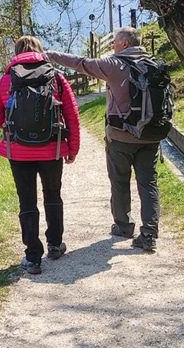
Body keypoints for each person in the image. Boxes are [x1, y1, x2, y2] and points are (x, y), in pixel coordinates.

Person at [45, 27, 160, 252]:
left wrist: (51, 55)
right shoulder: (154, 63)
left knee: (119, 181)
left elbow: (81, 63)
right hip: (151, 135)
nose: (113, 46)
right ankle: (148, 234)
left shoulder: (114, 65)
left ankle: (124, 226)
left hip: (121, 136)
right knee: (148, 183)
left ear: (125, 44)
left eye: (115, 42)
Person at [0, 35, 81, 274]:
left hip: (18, 153)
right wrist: (73, 148)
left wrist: (18, 128)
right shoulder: (57, 78)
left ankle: (32, 257)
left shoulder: (5, 81)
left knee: (27, 201)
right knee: (53, 195)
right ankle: (55, 245)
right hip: (52, 149)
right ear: (40, 51)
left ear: (16, 52)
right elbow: (71, 115)